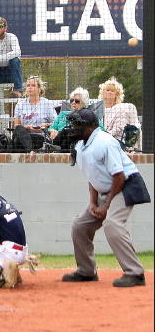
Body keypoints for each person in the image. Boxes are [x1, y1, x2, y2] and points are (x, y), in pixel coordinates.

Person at [61, 109, 150, 287]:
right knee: (80, 225)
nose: (74, 128)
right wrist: (93, 203)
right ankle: (86, 271)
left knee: (112, 223)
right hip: (107, 190)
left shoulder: (104, 142)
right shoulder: (81, 145)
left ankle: (135, 273)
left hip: (126, 185)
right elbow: (92, 177)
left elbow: (119, 176)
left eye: (78, 124)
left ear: (91, 126)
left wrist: (106, 206)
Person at [12, 76, 57, 150]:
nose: (30, 87)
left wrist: (45, 126)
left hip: (40, 137)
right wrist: (27, 127)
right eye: (28, 85)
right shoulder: (20, 104)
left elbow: (55, 123)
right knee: (19, 129)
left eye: (33, 85)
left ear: (39, 89)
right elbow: (16, 126)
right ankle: (29, 151)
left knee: (36, 139)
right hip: (24, 136)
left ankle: (29, 151)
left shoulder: (46, 103)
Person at [99, 77, 142, 149]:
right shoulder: (99, 109)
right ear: (103, 92)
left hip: (118, 141)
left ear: (117, 94)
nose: (109, 92)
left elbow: (121, 127)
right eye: (107, 90)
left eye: (112, 91)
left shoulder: (122, 108)